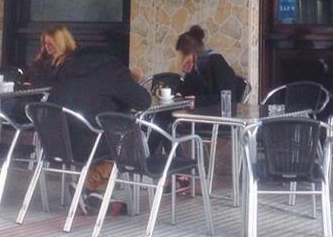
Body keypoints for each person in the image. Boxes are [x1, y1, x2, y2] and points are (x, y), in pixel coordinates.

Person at [45, 27, 150, 214]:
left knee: (106, 136)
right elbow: (143, 101)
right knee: (130, 143)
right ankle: (89, 187)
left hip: (59, 144)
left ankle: (91, 192)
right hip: (93, 144)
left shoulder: (65, 69)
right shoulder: (112, 70)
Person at [176, 25, 241, 106]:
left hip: (218, 115)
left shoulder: (217, 63)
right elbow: (185, 94)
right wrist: (178, 95)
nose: (180, 59)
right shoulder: (193, 70)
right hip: (198, 114)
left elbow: (227, 98)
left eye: (181, 55)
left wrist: (197, 102)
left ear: (190, 53)